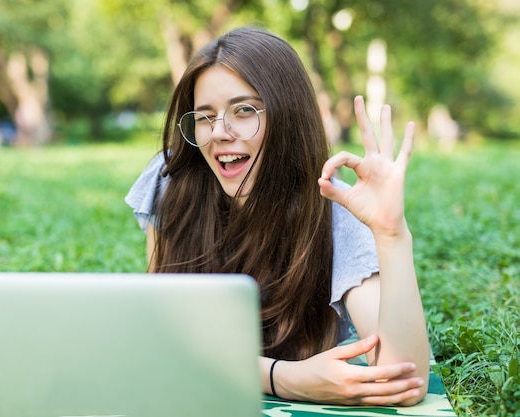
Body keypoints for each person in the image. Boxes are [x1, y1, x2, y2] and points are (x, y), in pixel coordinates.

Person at [125, 26, 429, 406]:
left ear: (289, 117)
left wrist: (391, 235)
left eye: (244, 110)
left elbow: (403, 378)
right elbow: (163, 336)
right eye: (205, 117)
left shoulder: (334, 213)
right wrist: (281, 377)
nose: (219, 132)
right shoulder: (173, 181)